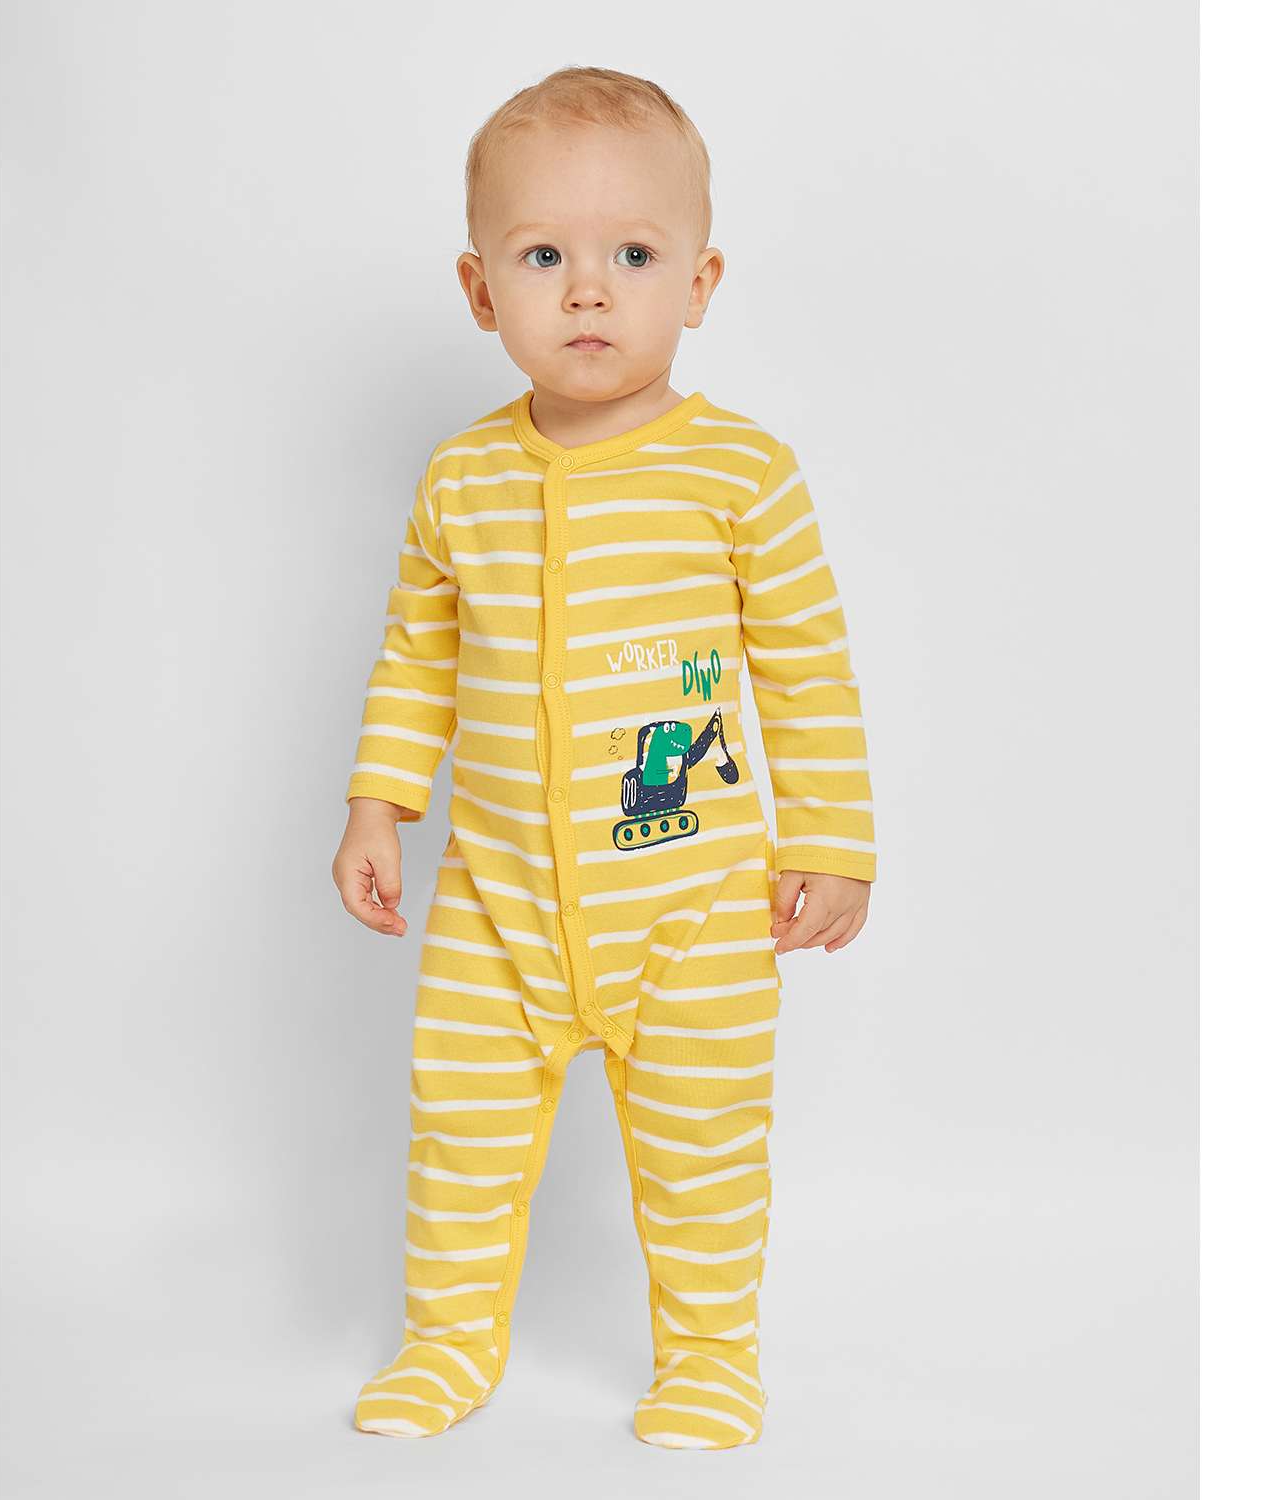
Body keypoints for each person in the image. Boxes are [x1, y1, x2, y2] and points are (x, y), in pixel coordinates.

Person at [331, 66, 876, 1449]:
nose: (588, 291)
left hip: (691, 902)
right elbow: (416, 659)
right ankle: (447, 1343)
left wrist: (831, 843)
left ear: (699, 282)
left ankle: (711, 1358)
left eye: (633, 255)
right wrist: (379, 804)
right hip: (497, 895)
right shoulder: (461, 481)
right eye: (542, 258)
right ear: (479, 291)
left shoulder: (743, 476)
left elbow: (807, 670)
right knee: (461, 1135)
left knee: (704, 1146)